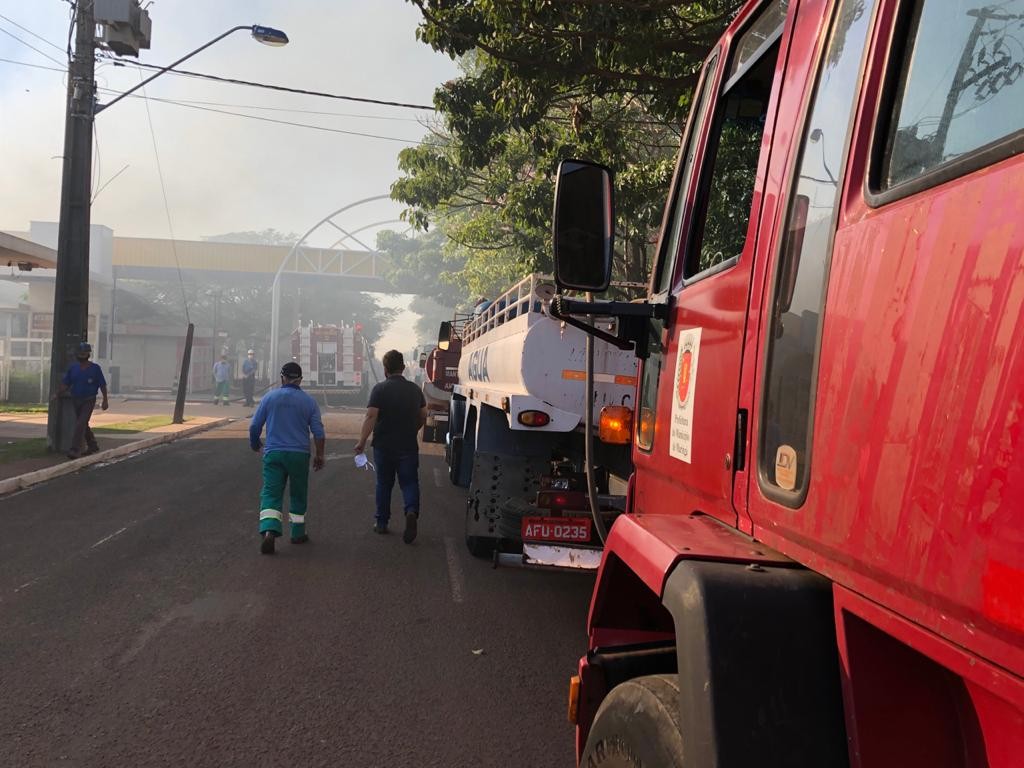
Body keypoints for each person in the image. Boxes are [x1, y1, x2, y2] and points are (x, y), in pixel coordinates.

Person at [250, 362, 326, 555]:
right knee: (298, 493)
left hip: (274, 453)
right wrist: (319, 454)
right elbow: (318, 432)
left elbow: (254, 427)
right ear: (300, 380)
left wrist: (255, 444)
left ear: (282, 378)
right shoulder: (309, 402)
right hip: (299, 455)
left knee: (271, 493)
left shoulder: (269, 397)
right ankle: (297, 533)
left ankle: (269, 530)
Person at [355, 349, 427, 543]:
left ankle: (381, 523)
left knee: (384, 483)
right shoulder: (415, 390)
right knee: (410, 482)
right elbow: (423, 416)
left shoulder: (380, 389)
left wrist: (362, 441)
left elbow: (371, 416)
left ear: (385, 369)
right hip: (408, 445)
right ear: (403, 368)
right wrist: (413, 429)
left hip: (384, 446)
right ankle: (411, 511)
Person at [53, 341, 108, 460]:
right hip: (76, 400)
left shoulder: (95, 369)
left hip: (89, 400)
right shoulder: (73, 368)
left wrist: (105, 400)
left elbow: (102, 385)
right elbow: (66, 384)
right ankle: (93, 445)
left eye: (85, 353)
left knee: (79, 424)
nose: (83, 355)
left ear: (88, 354)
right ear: (77, 354)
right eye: (81, 353)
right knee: (83, 424)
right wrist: (57, 394)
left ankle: (74, 449)